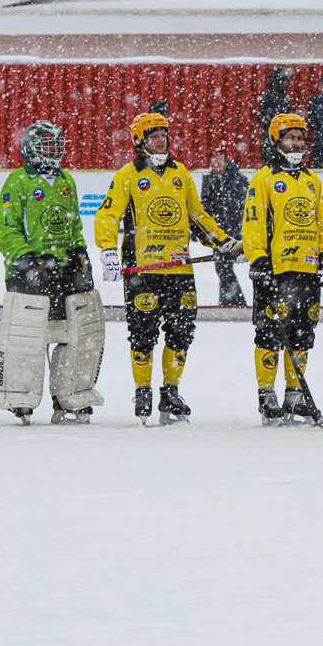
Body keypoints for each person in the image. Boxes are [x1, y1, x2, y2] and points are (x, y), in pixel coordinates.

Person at [96, 112, 238, 423]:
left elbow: (198, 216)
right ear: (140, 142)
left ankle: (170, 392)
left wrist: (224, 242)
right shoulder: (127, 176)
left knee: (181, 333)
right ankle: (143, 390)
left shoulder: (181, 174)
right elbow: (107, 216)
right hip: (142, 271)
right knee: (143, 335)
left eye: (164, 134)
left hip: (180, 270)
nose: (161, 140)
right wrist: (107, 248)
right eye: (154, 135)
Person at [0, 121, 103, 424]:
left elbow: (74, 226)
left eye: (57, 145)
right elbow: (5, 228)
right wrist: (25, 259)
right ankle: (21, 396)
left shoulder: (67, 180)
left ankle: (66, 396)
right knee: (29, 337)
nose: (54, 151)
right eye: (46, 145)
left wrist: (81, 256)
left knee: (71, 336)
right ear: (30, 148)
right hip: (30, 271)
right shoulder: (17, 181)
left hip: (62, 271)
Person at [244, 113, 323, 424]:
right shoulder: (264, 179)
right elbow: (254, 223)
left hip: (307, 269)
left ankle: (294, 397)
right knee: (269, 333)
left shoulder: (312, 181)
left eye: (300, 137)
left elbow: (320, 223)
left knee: (302, 334)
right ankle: (266, 396)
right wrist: (257, 258)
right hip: (276, 270)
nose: (296, 143)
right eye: (290, 138)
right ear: (276, 141)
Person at [201, 150, 249, 306]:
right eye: (213, 164)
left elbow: (246, 204)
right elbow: (205, 205)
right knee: (222, 266)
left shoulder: (239, 180)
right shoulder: (209, 180)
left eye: (218, 164)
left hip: (236, 229)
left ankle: (233, 299)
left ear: (226, 164)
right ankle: (231, 299)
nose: (216, 167)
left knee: (232, 265)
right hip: (218, 232)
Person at [256, 68, 293, 165]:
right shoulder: (268, 96)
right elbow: (261, 117)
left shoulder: (284, 97)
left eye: (287, 81)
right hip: (271, 142)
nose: (286, 83)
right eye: (284, 80)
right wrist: (275, 127)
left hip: (281, 142)